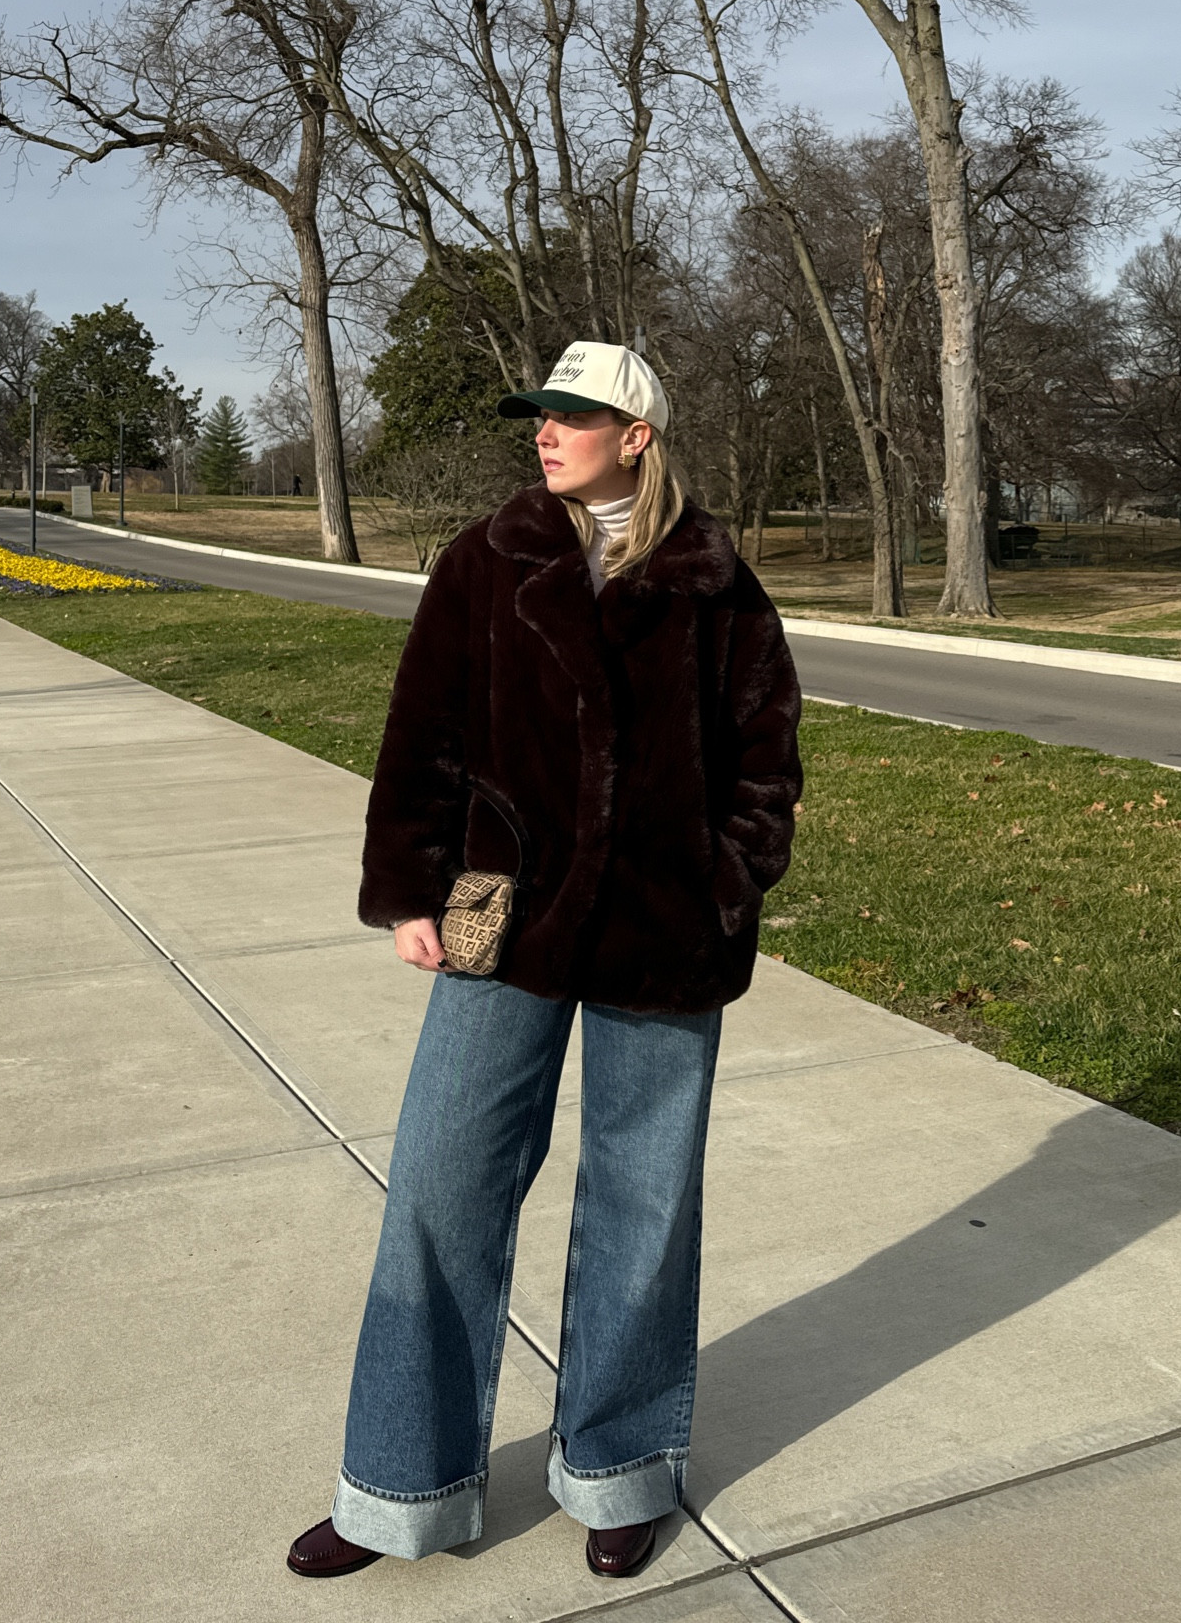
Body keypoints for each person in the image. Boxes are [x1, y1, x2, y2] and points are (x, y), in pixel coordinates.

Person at [288, 340, 803, 1584]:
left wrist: (723, 882)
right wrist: (410, 891)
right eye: (541, 411)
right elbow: (423, 732)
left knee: (643, 1200)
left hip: (667, 929)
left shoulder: (714, 580)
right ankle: (399, 1484)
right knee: (438, 1179)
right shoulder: (486, 557)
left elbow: (766, 756)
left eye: (575, 412)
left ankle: (620, 1468)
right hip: (495, 907)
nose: (547, 428)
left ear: (638, 434)